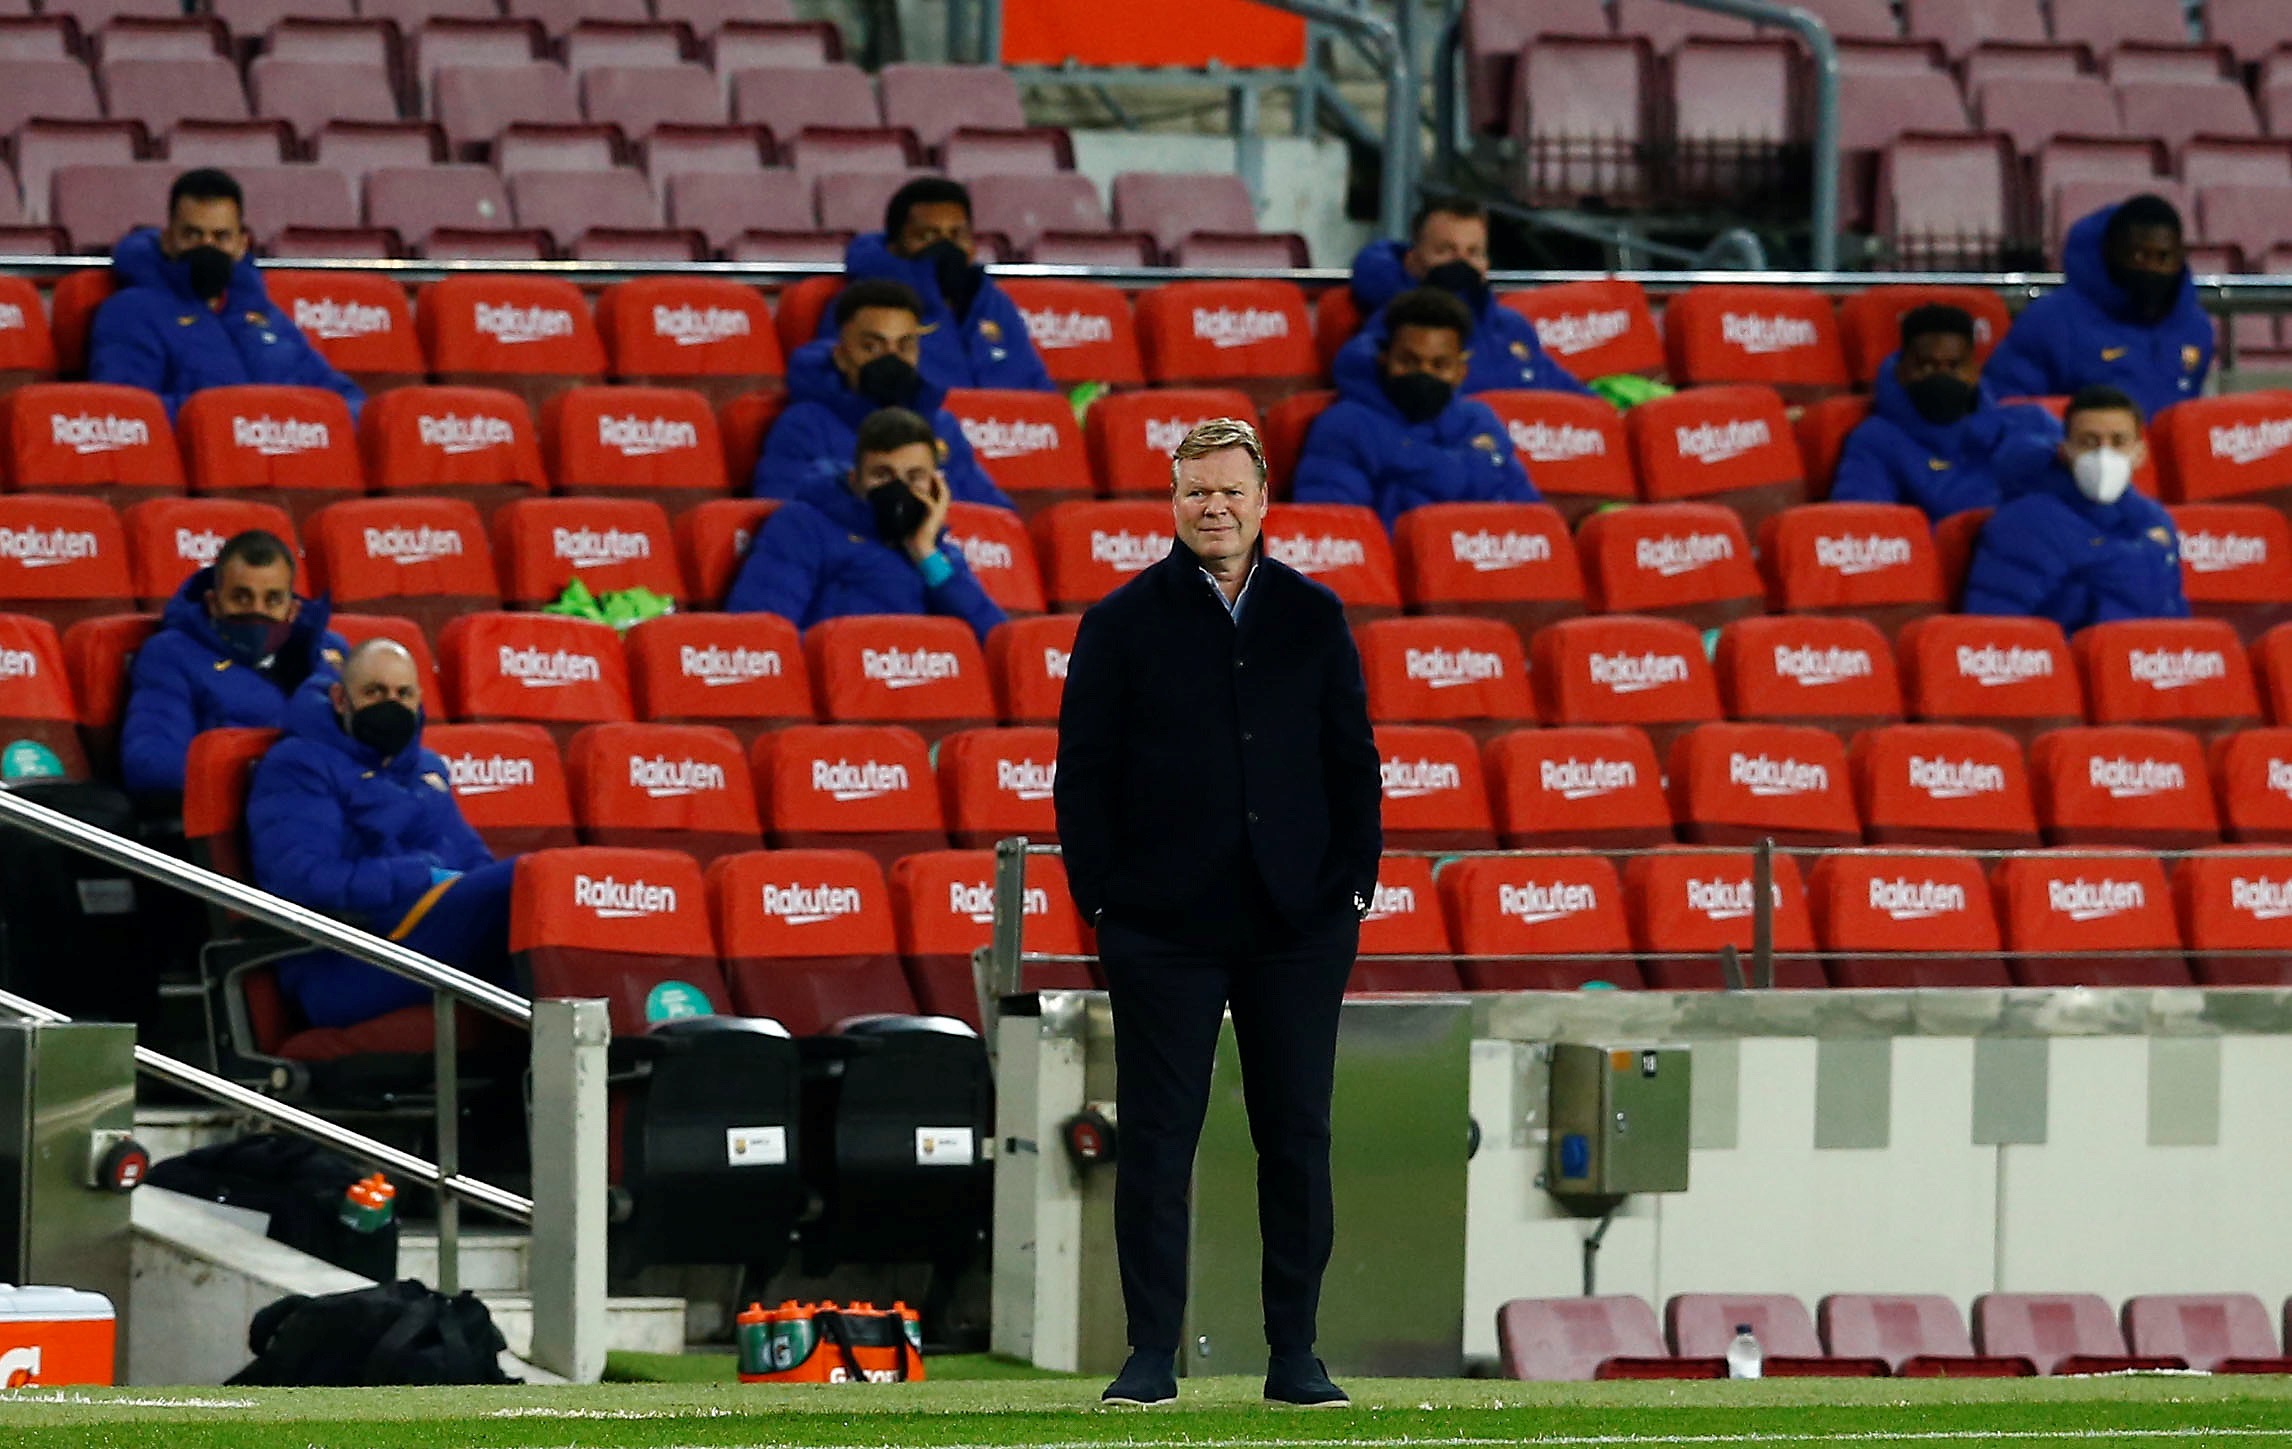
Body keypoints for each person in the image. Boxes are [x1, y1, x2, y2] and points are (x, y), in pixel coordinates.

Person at [1054, 418, 1381, 1410]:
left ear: (1262, 499)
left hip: (1299, 923)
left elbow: (1350, 758)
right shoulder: (1119, 622)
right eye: (1197, 491)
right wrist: (1101, 899)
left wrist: (1354, 880)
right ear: (1173, 500)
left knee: (1297, 1139)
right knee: (1157, 1140)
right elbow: (1085, 776)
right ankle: (1151, 1355)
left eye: (1231, 491)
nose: (1215, 507)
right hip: (1161, 926)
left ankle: (1296, 1358)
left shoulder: (1314, 617)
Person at [246, 639, 515, 1030]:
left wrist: (445, 887)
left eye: (403, 694)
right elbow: (305, 880)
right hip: (345, 960)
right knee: (524, 881)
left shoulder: (427, 771)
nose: (391, 704)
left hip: (421, 936)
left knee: (533, 896)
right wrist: (422, 876)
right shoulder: (297, 765)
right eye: (374, 692)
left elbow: (475, 863)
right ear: (340, 699)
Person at [87, 168, 365, 422]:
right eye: (193, 235)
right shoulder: (130, 314)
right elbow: (125, 414)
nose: (207, 247)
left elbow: (342, 397)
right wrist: (230, 419)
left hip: (289, 467)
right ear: (168, 239)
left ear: (241, 244)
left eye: (221, 237)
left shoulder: (265, 318)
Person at [728, 407, 1007, 644]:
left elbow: (997, 642)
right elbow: (760, 636)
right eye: (882, 474)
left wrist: (924, 552)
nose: (898, 488)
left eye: (915, 477)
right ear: (854, 480)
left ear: (936, 486)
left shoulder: (937, 557)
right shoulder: (802, 526)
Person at [120, 530, 345, 799]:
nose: (256, 610)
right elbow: (149, 762)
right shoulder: (170, 654)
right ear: (213, 603)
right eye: (241, 597)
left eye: (272, 600)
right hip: (235, 819)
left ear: (292, 610)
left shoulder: (329, 652)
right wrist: (263, 776)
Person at [1292, 287, 1540, 529]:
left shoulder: (1480, 423)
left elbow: (1529, 525)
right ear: (1384, 359)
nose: (1424, 374)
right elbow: (1337, 534)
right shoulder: (1344, 426)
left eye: (1439, 365)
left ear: (1461, 372)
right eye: (1408, 362)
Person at [755, 279, 1013, 510]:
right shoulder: (803, 426)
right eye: (872, 347)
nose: (891, 359)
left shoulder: (942, 426)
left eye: (904, 346)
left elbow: (993, 516)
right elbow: (785, 515)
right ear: (841, 356)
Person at [1962, 384, 2188, 636]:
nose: (2104, 454)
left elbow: (2173, 618)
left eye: (2118, 441)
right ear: (2065, 451)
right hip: (2068, 668)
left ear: (2140, 453)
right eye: (2089, 442)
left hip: (2141, 667)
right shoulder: (2024, 524)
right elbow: (1994, 632)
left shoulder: (2153, 521)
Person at [1982, 195, 2212, 424]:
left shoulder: (2195, 328)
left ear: (2180, 257)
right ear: (2110, 252)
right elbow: (2005, 411)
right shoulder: (2049, 322)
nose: (2151, 267)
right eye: (2139, 256)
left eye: (2163, 257)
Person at [1830, 304, 2061, 523]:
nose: (1941, 377)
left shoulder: (2030, 423)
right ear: (1902, 370)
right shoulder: (1875, 440)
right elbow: (1867, 530)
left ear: (1974, 371)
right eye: (1926, 365)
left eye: (1953, 366)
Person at [1340, 198, 1588, 397]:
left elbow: (1572, 395)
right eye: (1445, 251)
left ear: (1486, 264)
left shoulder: (1512, 327)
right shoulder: (1396, 328)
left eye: (1473, 253)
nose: (1461, 264)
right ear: (1412, 261)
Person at [826, 176, 1054, 393]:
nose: (945, 248)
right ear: (894, 246)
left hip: (1007, 430)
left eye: (956, 235)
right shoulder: (862, 304)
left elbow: (1037, 385)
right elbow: (833, 388)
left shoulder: (993, 302)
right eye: (927, 236)